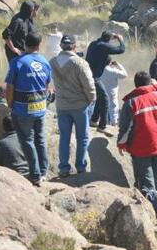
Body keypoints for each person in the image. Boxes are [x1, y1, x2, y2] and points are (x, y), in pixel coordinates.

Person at [3, 33, 51, 185]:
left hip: (23, 110)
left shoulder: (18, 62)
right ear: (39, 44)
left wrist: (10, 104)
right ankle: (43, 171)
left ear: (25, 44)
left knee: (27, 141)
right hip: (40, 108)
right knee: (40, 139)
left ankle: (35, 175)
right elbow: (47, 85)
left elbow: (9, 87)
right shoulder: (45, 62)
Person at [118, 71, 157, 194]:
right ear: (149, 83)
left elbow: (125, 127)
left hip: (140, 147)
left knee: (146, 181)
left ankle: (151, 206)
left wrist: (121, 144)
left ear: (135, 84)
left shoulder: (131, 102)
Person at [50, 34, 96, 177]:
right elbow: (89, 86)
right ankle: (81, 167)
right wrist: (92, 99)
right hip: (79, 106)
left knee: (64, 137)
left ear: (61, 46)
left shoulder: (52, 62)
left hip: (62, 105)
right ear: (75, 46)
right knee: (82, 137)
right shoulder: (80, 63)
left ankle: (64, 168)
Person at [85, 31, 125, 132]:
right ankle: (102, 126)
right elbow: (121, 49)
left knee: (99, 98)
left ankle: (94, 120)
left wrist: (111, 38)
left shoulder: (94, 43)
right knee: (106, 100)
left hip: (88, 74)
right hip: (94, 77)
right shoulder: (104, 46)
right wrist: (120, 40)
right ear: (108, 39)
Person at [99, 59, 128, 128]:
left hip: (102, 91)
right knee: (113, 107)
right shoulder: (113, 70)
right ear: (109, 62)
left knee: (103, 107)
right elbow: (125, 74)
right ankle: (113, 123)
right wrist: (118, 65)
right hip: (112, 93)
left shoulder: (99, 69)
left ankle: (105, 122)